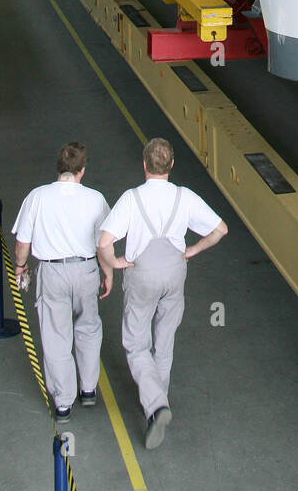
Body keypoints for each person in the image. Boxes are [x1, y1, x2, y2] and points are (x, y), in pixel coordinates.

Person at [97, 137, 227, 450]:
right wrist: (193, 248)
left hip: (142, 273)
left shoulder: (131, 198)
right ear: (171, 165)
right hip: (174, 272)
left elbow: (103, 241)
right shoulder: (185, 197)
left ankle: (156, 407)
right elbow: (220, 229)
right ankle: (159, 403)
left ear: (144, 166)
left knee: (137, 343)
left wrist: (114, 263)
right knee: (164, 341)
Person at [12, 142, 109, 422]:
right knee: (88, 328)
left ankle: (64, 402)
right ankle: (89, 388)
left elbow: (23, 242)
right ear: (82, 170)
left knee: (56, 336)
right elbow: (104, 243)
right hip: (87, 269)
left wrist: (21, 268)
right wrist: (109, 273)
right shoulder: (95, 198)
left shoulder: (37, 197)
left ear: (59, 168)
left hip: (52, 272)